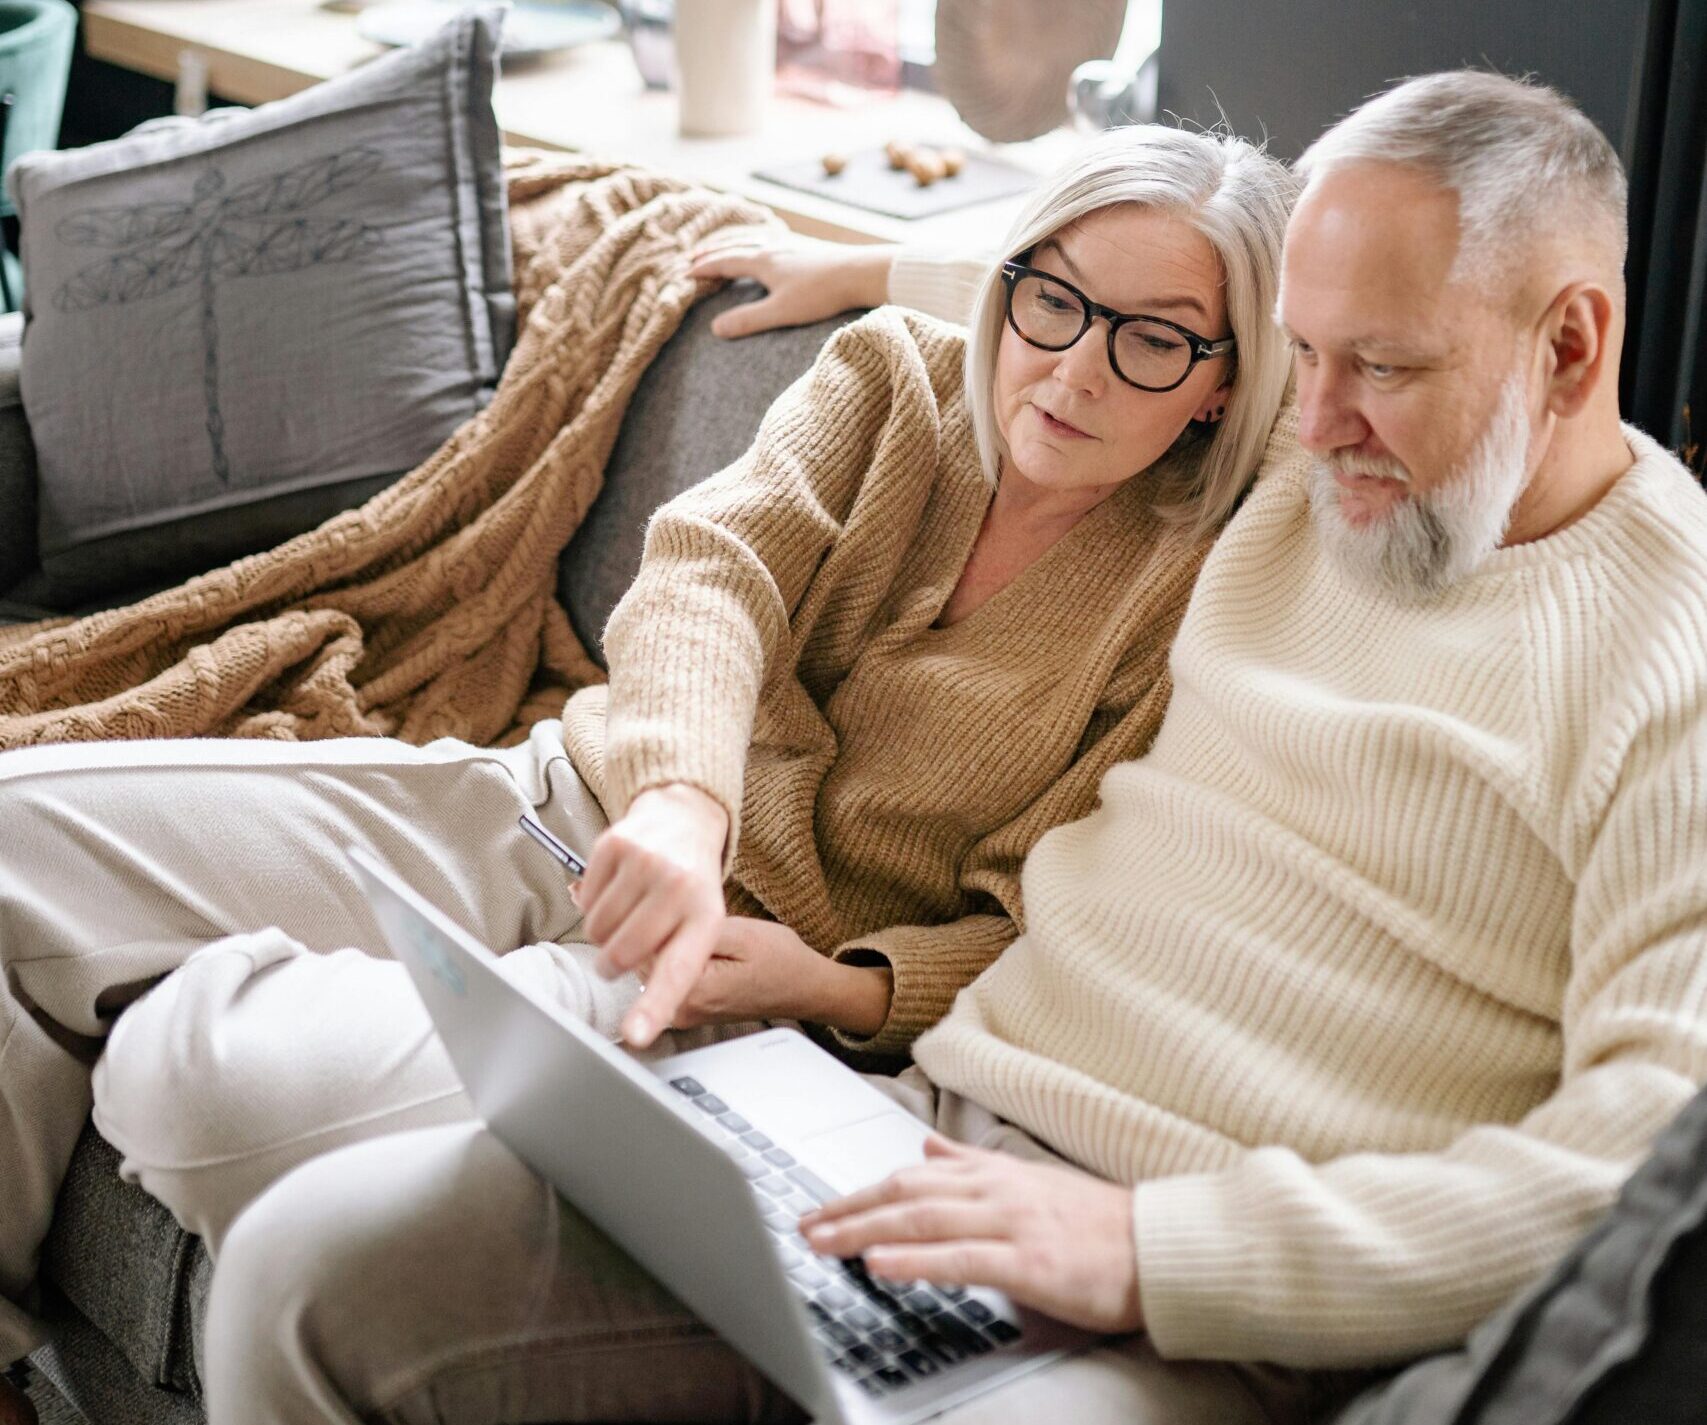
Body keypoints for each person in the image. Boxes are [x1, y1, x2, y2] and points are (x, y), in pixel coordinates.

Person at [185, 69, 1707, 1425]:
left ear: (1571, 343)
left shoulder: (1672, 661)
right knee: (307, 1275)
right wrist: (861, 256)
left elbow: (1637, 1178)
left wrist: (1151, 1252)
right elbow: (1122, 305)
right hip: (912, 1122)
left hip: (1200, 1289)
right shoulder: (1321, 469)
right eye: (1299, 355)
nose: (1310, 420)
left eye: (1377, 366)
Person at [0, 125, 1299, 1425]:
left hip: (719, 981)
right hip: (555, 804)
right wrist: (685, 795)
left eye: (1154, 339)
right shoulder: (894, 373)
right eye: (1052, 299)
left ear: (1222, 385)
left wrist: (845, 985)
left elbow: (1041, 915)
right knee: (16, 839)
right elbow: (710, 570)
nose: (1072, 368)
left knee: (197, 1074)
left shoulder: (1202, 590)